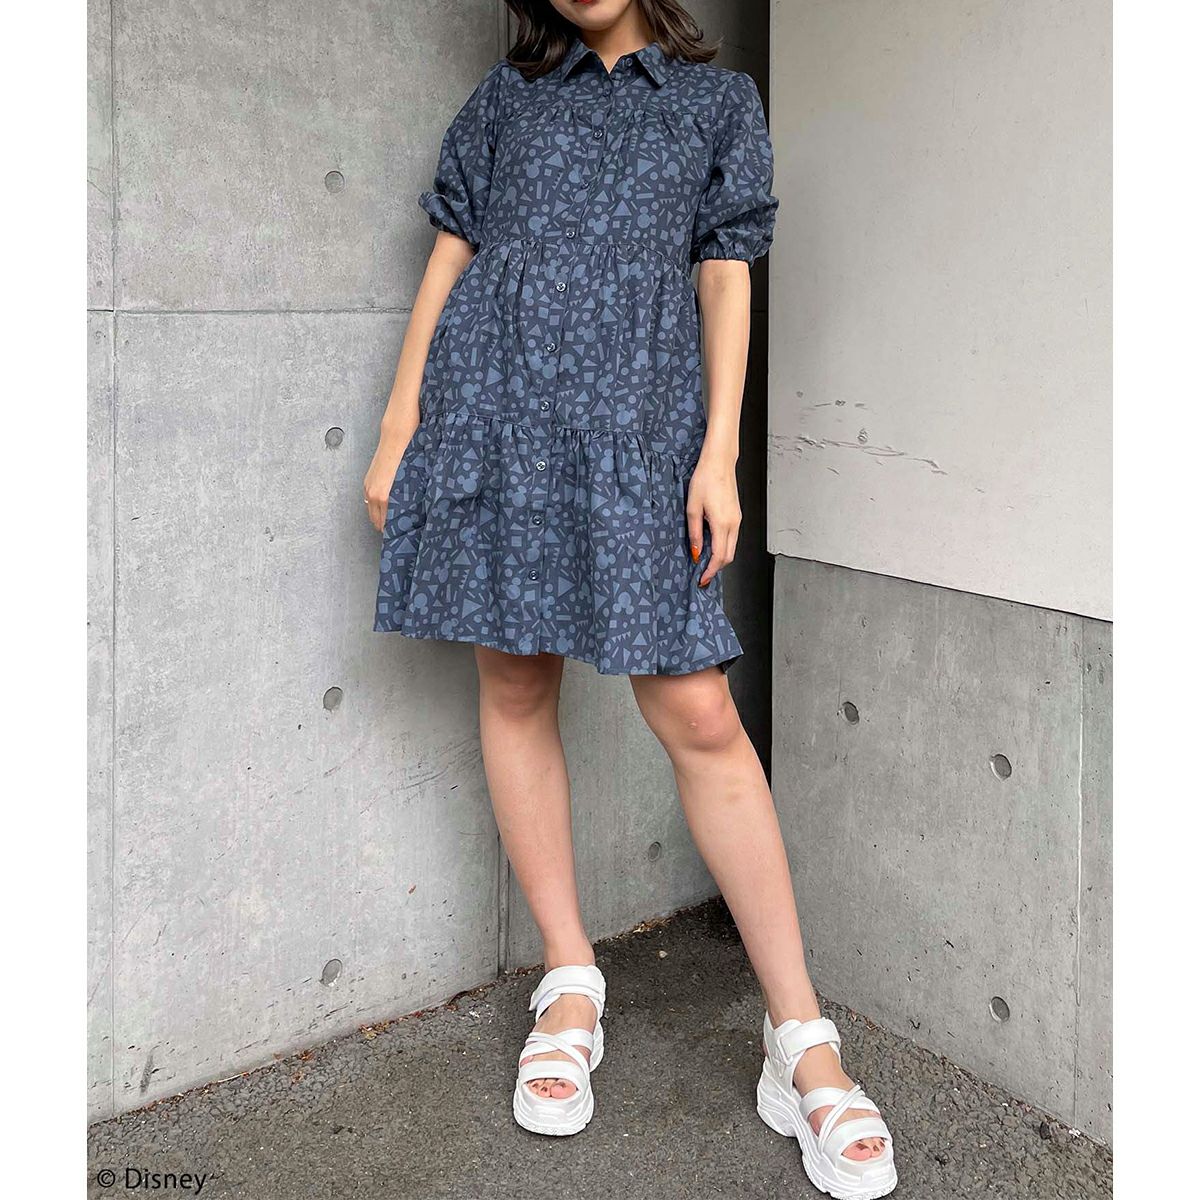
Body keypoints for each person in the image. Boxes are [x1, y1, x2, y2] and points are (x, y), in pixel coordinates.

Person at [363, 2, 896, 1195]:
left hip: (641, 434)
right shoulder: (508, 101)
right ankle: (569, 982)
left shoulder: (716, 104)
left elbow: (725, 277)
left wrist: (720, 453)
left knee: (699, 711)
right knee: (514, 681)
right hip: (496, 415)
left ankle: (800, 1042)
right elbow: (452, 253)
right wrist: (402, 423)